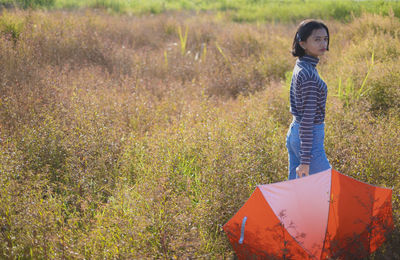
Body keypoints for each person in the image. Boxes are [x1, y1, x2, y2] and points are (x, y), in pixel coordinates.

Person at [286, 19, 332, 180]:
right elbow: (307, 119)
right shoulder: (308, 75)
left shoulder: (302, 65)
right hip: (309, 138)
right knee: (328, 184)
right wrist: (305, 160)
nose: (323, 43)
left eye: (325, 39)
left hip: (295, 133)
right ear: (303, 43)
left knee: (297, 191)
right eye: (317, 39)